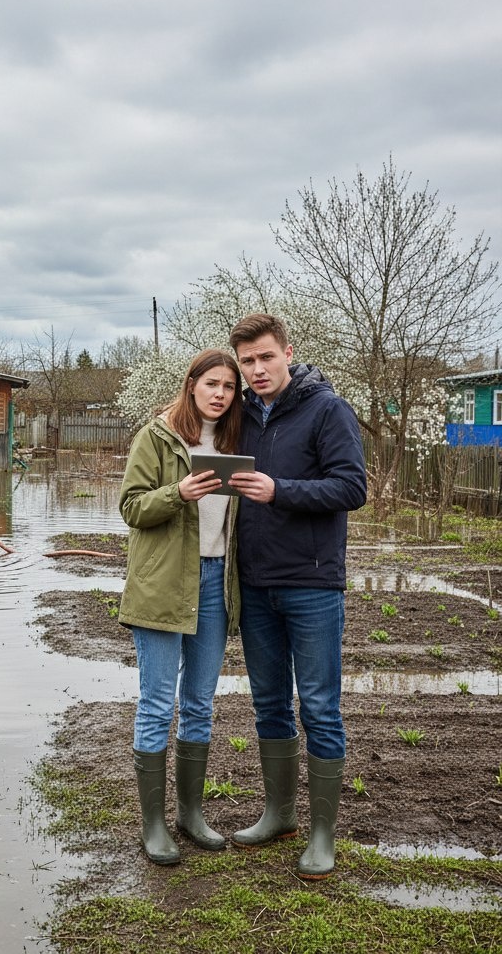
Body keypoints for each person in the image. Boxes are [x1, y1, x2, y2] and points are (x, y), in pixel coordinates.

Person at [226, 313, 367, 880]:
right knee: (269, 704)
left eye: (265, 357)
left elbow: (351, 486)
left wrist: (279, 491)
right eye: (247, 362)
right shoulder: (240, 415)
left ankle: (322, 834)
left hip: (311, 584)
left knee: (320, 708)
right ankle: (279, 815)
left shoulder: (327, 409)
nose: (257, 370)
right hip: (255, 584)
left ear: (288, 352)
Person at [118, 349, 242, 865]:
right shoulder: (157, 437)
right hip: (162, 585)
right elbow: (131, 507)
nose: (220, 394)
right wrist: (178, 492)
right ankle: (154, 825)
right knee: (156, 703)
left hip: (215, 583)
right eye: (211, 383)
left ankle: (191, 814)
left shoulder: (238, 442)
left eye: (230, 387)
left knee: (199, 703)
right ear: (191, 385)